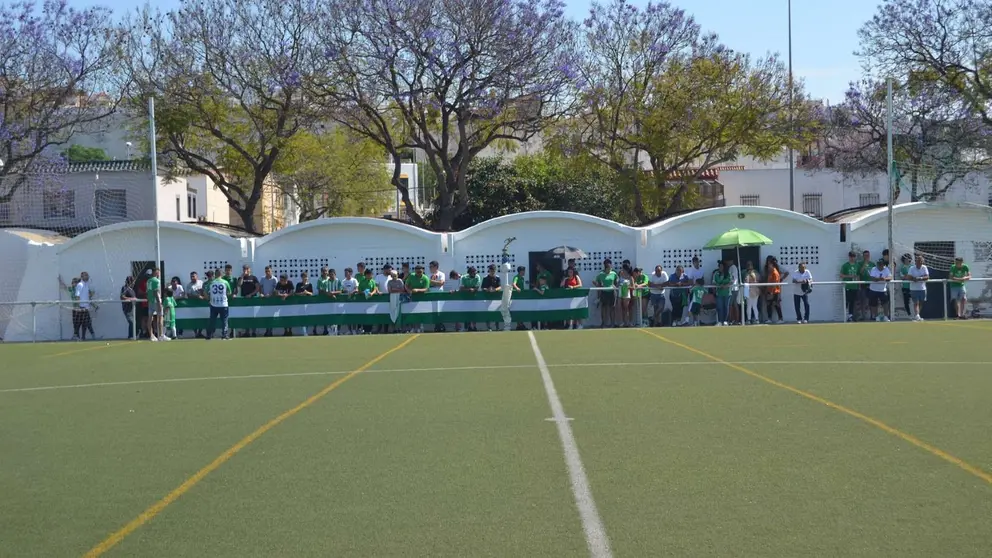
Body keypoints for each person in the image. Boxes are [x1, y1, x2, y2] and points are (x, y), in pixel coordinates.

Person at [204, 270, 231, 340]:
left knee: (212, 320)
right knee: (224, 321)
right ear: (221, 274)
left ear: (215, 274)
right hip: (223, 304)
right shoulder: (225, 282)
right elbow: (229, 292)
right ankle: (224, 335)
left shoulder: (211, 282)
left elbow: (205, 292)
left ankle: (209, 335)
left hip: (214, 304)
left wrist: (208, 299)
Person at [594, 259, 618, 328]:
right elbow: (595, 281)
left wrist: (615, 286)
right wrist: (600, 286)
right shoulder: (601, 274)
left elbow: (617, 281)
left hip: (612, 292)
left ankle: (612, 323)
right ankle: (603, 323)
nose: (609, 267)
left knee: (612, 308)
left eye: (609, 265)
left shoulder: (614, 273)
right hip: (604, 292)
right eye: (607, 266)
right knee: (604, 308)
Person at [905, 254, 929, 321]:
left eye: (921, 261)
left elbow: (927, 277)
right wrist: (913, 278)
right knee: (916, 303)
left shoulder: (924, 267)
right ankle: (917, 315)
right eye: (918, 261)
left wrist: (920, 278)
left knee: (921, 302)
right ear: (916, 262)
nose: (919, 262)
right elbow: (908, 277)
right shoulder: (912, 268)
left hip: (922, 288)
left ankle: (917, 315)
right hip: (914, 289)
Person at [237, 265, 260, 337]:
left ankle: (254, 332)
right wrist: (242, 277)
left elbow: (257, 288)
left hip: (252, 299)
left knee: (253, 316)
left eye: (247, 269)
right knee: (245, 316)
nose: (245, 270)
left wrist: (251, 294)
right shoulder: (241, 277)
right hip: (244, 299)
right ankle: (247, 332)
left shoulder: (254, 278)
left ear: (249, 269)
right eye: (244, 269)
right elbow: (239, 285)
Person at [682, 256, 705, 325]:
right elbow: (690, 282)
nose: (696, 263)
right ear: (693, 263)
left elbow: (703, 281)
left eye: (697, 261)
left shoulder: (702, 270)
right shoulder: (691, 271)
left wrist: (699, 283)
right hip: (694, 291)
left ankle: (694, 322)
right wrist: (696, 284)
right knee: (692, 306)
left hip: (700, 292)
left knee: (697, 307)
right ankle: (688, 320)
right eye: (695, 262)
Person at [839, 251, 860, 322]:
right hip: (848, 286)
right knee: (847, 301)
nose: (852, 258)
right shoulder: (845, 265)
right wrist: (849, 276)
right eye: (851, 256)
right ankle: (846, 315)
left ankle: (852, 316)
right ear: (849, 257)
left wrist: (858, 284)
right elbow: (841, 275)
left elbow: (858, 275)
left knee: (853, 302)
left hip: (855, 286)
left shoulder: (857, 265)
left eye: (854, 256)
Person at [257, 266, 278, 337]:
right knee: (265, 316)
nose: (267, 273)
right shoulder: (263, 279)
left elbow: (276, 289)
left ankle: (270, 331)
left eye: (269, 271)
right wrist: (261, 294)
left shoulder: (275, 279)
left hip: (272, 301)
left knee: (271, 317)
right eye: (266, 271)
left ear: (271, 271)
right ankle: (267, 330)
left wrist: (271, 295)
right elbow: (259, 287)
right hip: (264, 301)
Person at [460, 266, 482, 332]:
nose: (475, 274)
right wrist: (469, 289)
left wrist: (473, 289)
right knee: (467, 312)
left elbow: (477, 287)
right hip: (465, 298)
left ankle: (474, 326)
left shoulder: (477, 277)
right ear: (469, 273)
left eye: (475, 273)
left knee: (474, 312)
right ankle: (468, 327)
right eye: (473, 273)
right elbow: (461, 288)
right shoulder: (464, 277)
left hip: (474, 297)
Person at [147, 268, 166, 341]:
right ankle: (161, 335)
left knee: (150, 318)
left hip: (150, 301)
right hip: (156, 301)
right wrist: (159, 303)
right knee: (160, 317)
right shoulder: (156, 281)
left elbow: (148, 292)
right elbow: (156, 292)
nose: (159, 274)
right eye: (158, 272)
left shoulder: (148, 281)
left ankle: (151, 336)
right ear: (156, 272)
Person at [481, 264, 502, 331]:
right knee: (488, 312)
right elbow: (482, 288)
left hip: (496, 298)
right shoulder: (485, 278)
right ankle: (488, 327)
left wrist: (494, 290)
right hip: (487, 298)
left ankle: (497, 327)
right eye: (491, 270)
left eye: (494, 270)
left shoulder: (497, 277)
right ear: (489, 270)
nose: (493, 272)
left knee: (496, 312)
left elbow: (500, 287)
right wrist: (487, 289)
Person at [713, 261, 732, 326]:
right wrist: (719, 285)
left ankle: (725, 321)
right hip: (719, 293)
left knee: (726, 307)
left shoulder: (728, 273)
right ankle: (720, 321)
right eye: (719, 266)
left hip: (727, 293)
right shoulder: (716, 274)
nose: (720, 268)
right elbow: (713, 282)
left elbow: (731, 282)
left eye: (721, 266)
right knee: (720, 307)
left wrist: (725, 286)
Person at [764, 259, 783, 324]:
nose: (768, 266)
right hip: (770, 291)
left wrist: (772, 292)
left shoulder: (775, 272)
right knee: (768, 304)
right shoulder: (770, 272)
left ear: (772, 265)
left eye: (769, 264)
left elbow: (775, 283)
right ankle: (769, 318)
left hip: (775, 292)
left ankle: (781, 318)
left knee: (776, 304)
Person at [295, 271, 315, 335]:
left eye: (306, 277)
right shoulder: (298, 285)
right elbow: (296, 293)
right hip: (300, 303)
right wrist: (301, 293)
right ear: (301, 278)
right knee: (301, 318)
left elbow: (311, 293)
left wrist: (307, 293)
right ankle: (303, 332)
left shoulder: (310, 285)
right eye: (304, 277)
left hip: (308, 304)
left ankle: (306, 331)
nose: (305, 278)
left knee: (307, 318)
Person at [341, 268, 359, 335]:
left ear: (350, 273)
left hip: (354, 300)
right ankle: (349, 330)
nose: (345, 274)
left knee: (353, 315)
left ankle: (354, 329)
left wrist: (351, 293)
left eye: (347, 272)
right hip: (346, 301)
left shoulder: (354, 280)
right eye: (345, 273)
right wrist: (345, 291)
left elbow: (356, 289)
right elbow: (342, 290)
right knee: (347, 316)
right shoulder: (343, 281)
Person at [186, 271, 204, 338]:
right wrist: (196, 296)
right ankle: (196, 333)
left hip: (201, 304)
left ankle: (200, 332)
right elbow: (188, 295)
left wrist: (201, 295)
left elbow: (203, 291)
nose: (192, 278)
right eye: (191, 277)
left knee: (201, 319)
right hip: (193, 304)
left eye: (193, 276)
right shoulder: (189, 285)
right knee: (194, 319)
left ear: (197, 276)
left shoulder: (201, 282)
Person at [120, 276, 138, 340]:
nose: (134, 283)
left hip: (132, 308)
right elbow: (122, 297)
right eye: (133, 282)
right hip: (127, 308)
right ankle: (131, 336)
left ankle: (132, 335)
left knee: (133, 322)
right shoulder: (125, 288)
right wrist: (132, 299)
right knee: (131, 322)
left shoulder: (132, 289)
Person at [897, 254, 913, 318]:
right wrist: (909, 277)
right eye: (905, 259)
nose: (907, 260)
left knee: (916, 301)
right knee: (906, 302)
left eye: (908, 259)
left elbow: (914, 276)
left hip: (913, 287)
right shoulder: (902, 267)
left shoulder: (912, 267)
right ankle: (910, 315)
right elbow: (902, 277)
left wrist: (909, 277)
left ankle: (917, 314)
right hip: (905, 287)